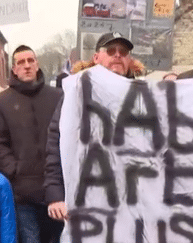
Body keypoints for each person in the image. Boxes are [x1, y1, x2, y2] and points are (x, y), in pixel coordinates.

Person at [44, 32, 145, 222]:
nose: (117, 55)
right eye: (110, 50)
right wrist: (56, 194)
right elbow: (56, 143)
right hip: (86, 197)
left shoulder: (144, 97)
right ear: (96, 58)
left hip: (129, 202)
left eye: (123, 52)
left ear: (129, 60)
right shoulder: (76, 94)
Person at [0, 45, 63, 243]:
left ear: (37, 64)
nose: (27, 66)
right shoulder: (0, 103)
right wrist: (14, 170)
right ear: (14, 69)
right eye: (21, 62)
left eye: (30, 61)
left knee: (56, 238)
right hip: (22, 191)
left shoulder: (57, 97)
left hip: (55, 189)